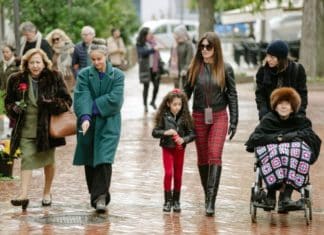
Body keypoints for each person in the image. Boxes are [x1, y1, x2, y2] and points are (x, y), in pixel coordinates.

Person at [4, 48, 72, 210]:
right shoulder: (16, 79)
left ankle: (47, 192)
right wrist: (14, 108)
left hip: (47, 130)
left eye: (38, 62)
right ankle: (23, 195)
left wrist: (52, 103)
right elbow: (8, 102)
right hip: (25, 128)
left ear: (44, 63)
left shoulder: (54, 77)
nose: (35, 66)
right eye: (32, 62)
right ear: (26, 64)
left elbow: (67, 101)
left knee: (49, 161)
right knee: (26, 158)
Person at [184, 31, 238, 217]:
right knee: (203, 157)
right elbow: (185, 95)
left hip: (219, 115)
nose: (205, 50)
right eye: (202, 46)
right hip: (199, 115)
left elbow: (232, 94)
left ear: (216, 48)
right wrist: (179, 119)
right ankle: (208, 194)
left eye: (209, 46)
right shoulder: (193, 69)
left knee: (215, 154)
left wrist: (235, 119)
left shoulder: (226, 68)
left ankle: (210, 201)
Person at [245, 87, 321, 213]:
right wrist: (279, 138)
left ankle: (285, 197)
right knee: (277, 151)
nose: (284, 106)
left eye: (287, 103)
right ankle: (270, 196)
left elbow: (311, 138)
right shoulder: (268, 120)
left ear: (293, 107)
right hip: (273, 155)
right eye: (280, 103)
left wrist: (293, 139)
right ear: (275, 106)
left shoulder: (301, 121)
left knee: (295, 150)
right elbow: (255, 138)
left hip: (292, 157)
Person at [72, 42, 124, 213]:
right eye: (93, 59)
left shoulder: (117, 75)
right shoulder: (84, 75)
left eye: (99, 59)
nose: (96, 62)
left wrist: (92, 107)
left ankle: (100, 197)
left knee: (104, 158)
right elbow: (81, 95)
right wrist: (85, 116)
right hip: (88, 124)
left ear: (106, 56)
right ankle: (95, 195)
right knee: (89, 159)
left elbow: (115, 99)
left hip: (109, 122)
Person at [152, 88, 195, 213]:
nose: (177, 107)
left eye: (179, 104)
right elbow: (155, 132)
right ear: (168, 104)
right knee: (169, 173)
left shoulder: (185, 117)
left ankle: (176, 201)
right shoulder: (163, 117)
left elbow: (192, 134)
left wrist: (184, 139)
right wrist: (166, 132)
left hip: (180, 150)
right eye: (174, 104)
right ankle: (167, 201)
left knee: (178, 175)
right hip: (167, 148)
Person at [255, 39, 307, 120]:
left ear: (281, 58)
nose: (268, 59)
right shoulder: (263, 71)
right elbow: (260, 94)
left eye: (272, 57)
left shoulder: (297, 69)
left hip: (292, 116)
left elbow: (302, 94)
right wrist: (263, 112)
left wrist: (300, 113)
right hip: (269, 115)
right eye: (267, 55)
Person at [136, 27, 162, 112]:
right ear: (145, 35)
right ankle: (145, 105)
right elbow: (142, 53)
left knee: (156, 86)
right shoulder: (140, 43)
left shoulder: (153, 42)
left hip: (154, 68)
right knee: (146, 87)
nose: (151, 35)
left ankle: (153, 101)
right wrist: (153, 49)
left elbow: (158, 55)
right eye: (149, 33)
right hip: (146, 69)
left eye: (151, 33)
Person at [46, 29, 75, 93]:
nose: (56, 41)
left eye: (57, 39)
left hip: (68, 75)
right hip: (55, 76)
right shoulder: (51, 50)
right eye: (53, 40)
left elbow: (75, 62)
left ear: (62, 38)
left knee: (67, 95)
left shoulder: (70, 48)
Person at [169, 24, 194, 89]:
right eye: (174, 34)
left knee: (184, 90)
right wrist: (169, 66)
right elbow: (171, 57)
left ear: (181, 34)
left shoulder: (188, 45)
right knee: (176, 90)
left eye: (176, 34)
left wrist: (185, 69)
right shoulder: (174, 44)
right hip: (175, 71)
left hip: (184, 72)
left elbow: (189, 59)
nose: (174, 36)